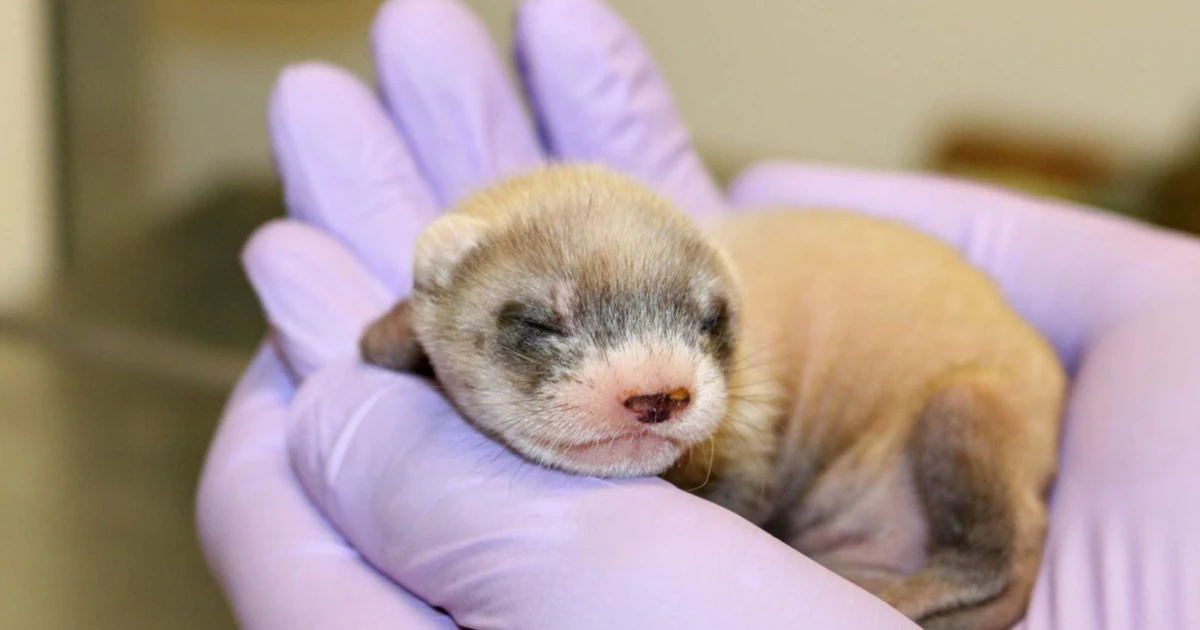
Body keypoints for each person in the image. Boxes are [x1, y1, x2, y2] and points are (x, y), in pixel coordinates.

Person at [195, 0, 1200, 627]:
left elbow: (731, 469)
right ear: (432, 307)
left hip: (921, 455)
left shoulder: (737, 402)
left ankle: (981, 575)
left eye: (704, 328)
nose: (662, 384)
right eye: (544, 328)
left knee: (968, 410)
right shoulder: (449, 294)